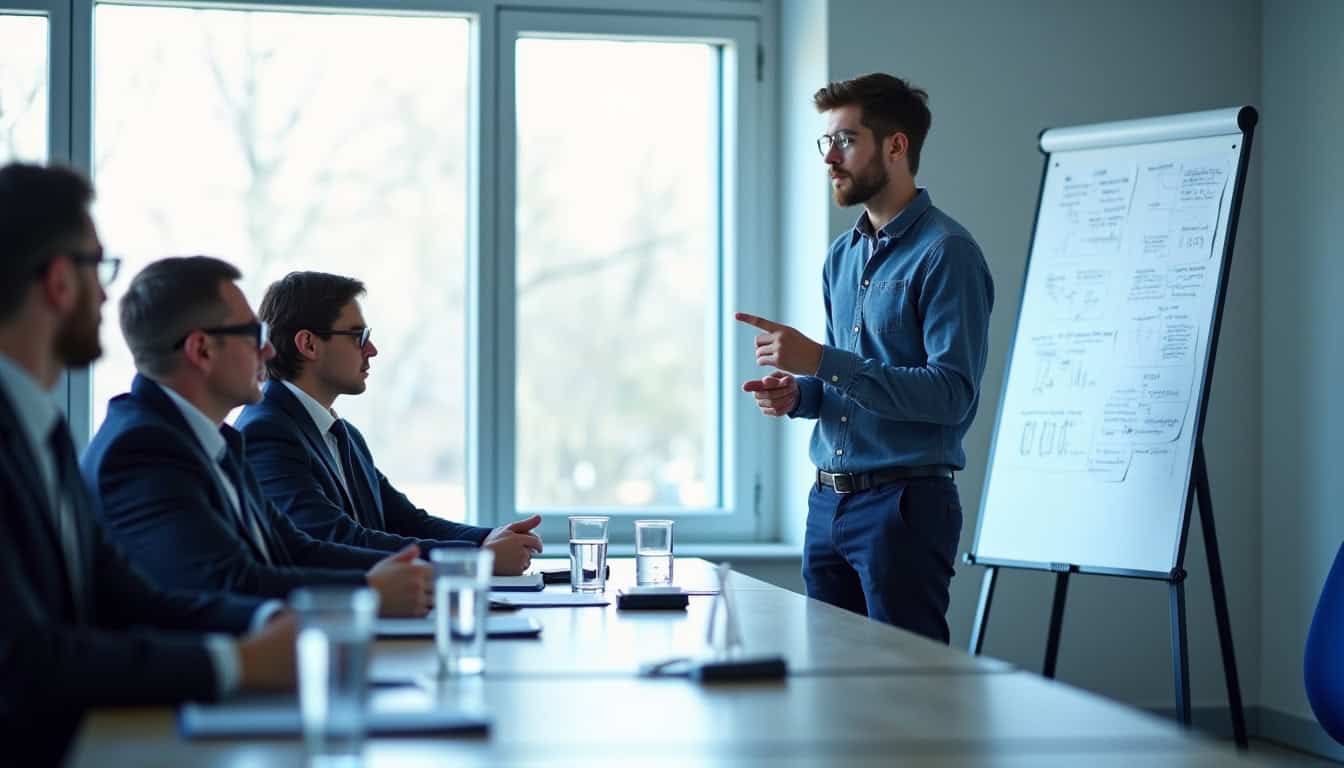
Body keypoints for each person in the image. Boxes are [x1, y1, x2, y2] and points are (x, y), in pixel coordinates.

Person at [0, 162, 295, 764]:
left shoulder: (45, 433)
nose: (108, 293)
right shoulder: (96, 441)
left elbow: (128, 599)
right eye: (97, 268)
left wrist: (274, 619)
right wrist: (237, 662)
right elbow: (26, 659)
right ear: (59, 281)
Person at [736, 74, 994, 643]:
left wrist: (821, 360)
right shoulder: (841, 256)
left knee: (909, 696)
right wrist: (799, 393)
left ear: (896, 146)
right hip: (827, 504)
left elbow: (951, 395)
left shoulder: (947, 254)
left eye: (846, 140)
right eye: (826, 142)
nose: (830, 157)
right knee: (831, 690)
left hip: (903, 507)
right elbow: (846, 387)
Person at [81, 256, 434, 616]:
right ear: (202, 349)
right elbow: (229, 583)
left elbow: (295, 548)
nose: (268, 350)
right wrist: (368, 592)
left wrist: (415, 574)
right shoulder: (141, 451)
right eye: (253, 335)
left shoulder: (217, 442)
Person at [235, 270, 543, 575]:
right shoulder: (267, 431)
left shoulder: (344, 436)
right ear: (309, 344)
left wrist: (490, 538)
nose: (372, 350)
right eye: (359, 337)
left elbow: (408, 522)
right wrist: (477, 557)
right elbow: (336, 539)